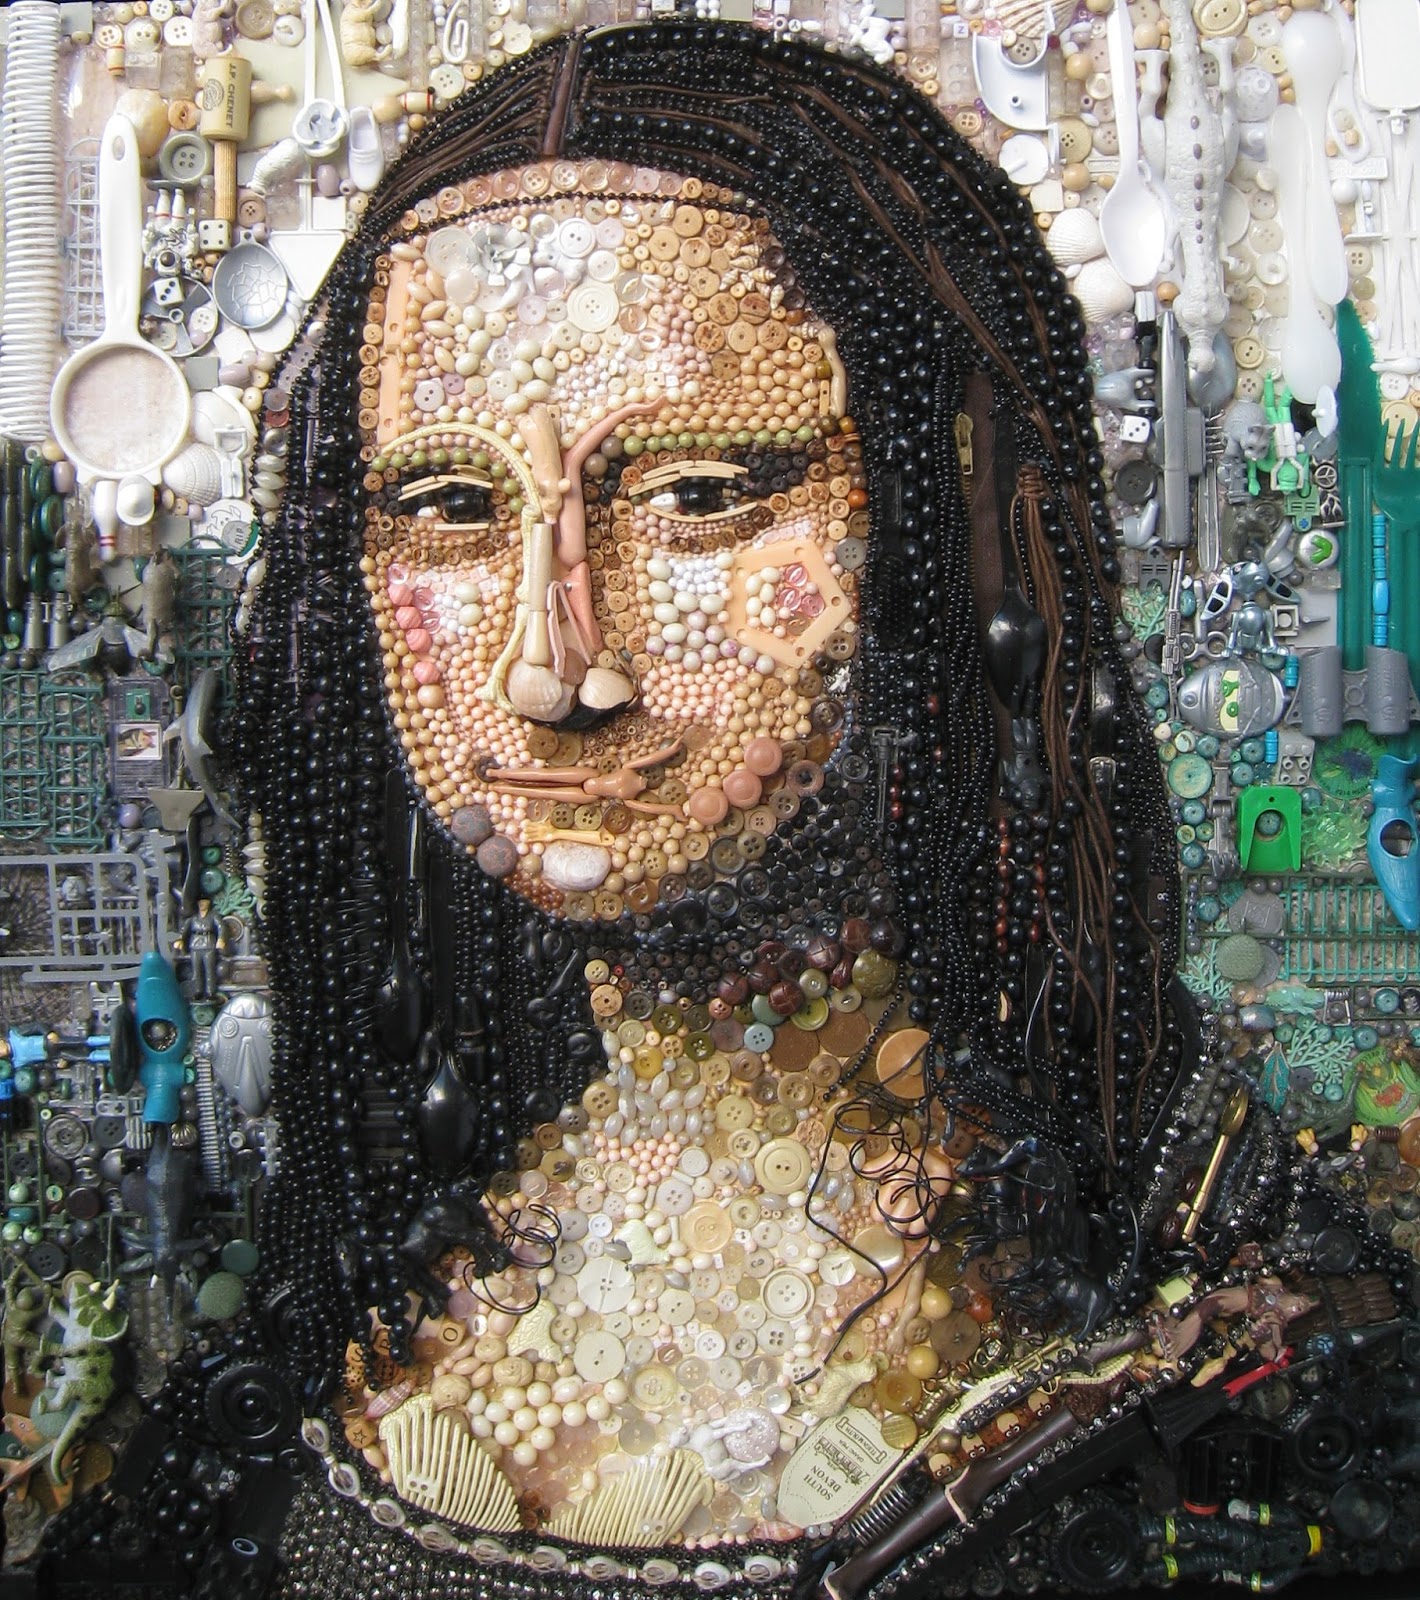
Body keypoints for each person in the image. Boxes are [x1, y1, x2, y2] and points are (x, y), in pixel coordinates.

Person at [213, 22, 1355, 1600]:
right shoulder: (397, 1255)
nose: (557, 667)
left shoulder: (1199, 1305)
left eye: (699, 494)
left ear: (936, 518)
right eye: (451, 506)